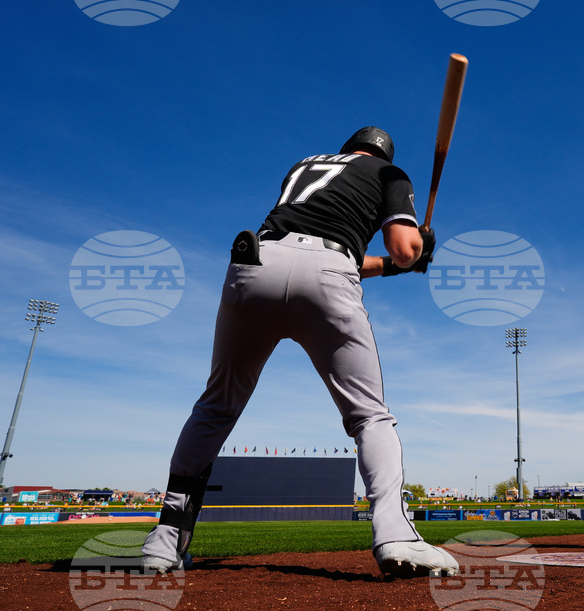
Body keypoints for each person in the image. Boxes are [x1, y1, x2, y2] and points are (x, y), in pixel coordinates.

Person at [141, 127, 459, 578]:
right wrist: (419, 248)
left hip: (256, 262)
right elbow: (401, 248)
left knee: (216, 406)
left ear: (348, 148)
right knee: (369, 416)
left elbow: (326, 246)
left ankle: (165, 541)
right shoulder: (390, 173)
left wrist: (395, 267)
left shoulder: (307, 164)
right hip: (328, 276)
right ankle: (395, 535)